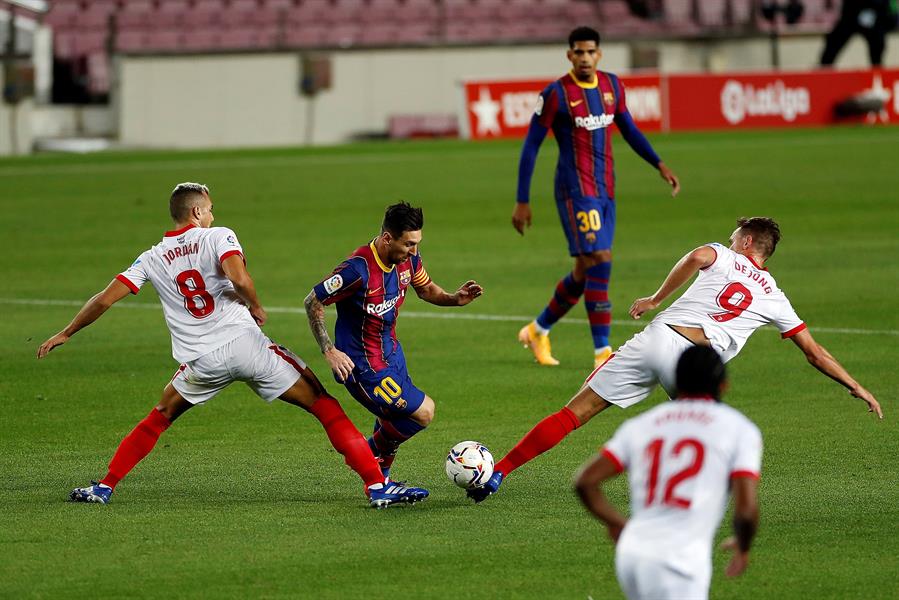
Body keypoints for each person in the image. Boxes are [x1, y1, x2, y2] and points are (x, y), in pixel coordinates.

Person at [37, 182, 426, 508]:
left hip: (201, 361)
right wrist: (254, 304)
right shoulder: (218, 236)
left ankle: (105, 486)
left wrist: (67, 332)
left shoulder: (151, 258)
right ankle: (377, 486)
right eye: (208, 209)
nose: (211, 214)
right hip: (246, 347)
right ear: (196, 212)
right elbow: (238, 277)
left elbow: (104, 299)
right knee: (323, 405)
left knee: (160, 416)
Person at [470, 216, 882, 502]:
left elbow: (698, 256)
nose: (730, 242)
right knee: (704, 429)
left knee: (574, 413)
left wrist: (655, 298)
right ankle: (702, 493)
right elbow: (814, 352)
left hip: (658, 339)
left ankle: (498, 472)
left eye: (735, 238)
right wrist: (856, 386)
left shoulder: (722, 254)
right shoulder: (775, 296)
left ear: (747, 243)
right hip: (695, 367)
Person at [513, 25, 680, 369]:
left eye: (591, 51)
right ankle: (602, 353)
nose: (585, 57)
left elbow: (629, 129)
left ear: (599, 54)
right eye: (579, 52)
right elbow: (531, 146)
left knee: (583, 271)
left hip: (606, 190)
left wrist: (659, 164)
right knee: (601, 259)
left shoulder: (612, 86)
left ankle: (537, 330)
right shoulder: (557, 94)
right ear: (570, 55)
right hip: (575, 191)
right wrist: (522, 199)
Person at [304, 202, 483, 491]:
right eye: (408, 244)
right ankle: (365, 454)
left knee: (392, 418)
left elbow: (426, 288)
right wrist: (329, 350)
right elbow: (313, 300)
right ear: (388, 238)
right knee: (423, 412)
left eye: (417, 243)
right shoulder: (357, 270)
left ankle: (381, 481)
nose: (414, 250)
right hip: (363, 366)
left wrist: (454, 298)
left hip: (392, 354)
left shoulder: (408, 260)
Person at [575, 345, 761, 600]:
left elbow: (585, 481)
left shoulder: (643, 424)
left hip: (631, 554)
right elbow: (746, 511)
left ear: (676, 382)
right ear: (723, 385)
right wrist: (744, 545)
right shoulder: (738, 428)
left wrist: (617, 523)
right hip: (678, 561)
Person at [820, 0, 898, 67]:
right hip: (851, 13)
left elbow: (890, 5)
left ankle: (877, 73)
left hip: (874, 13)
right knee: (833, 45)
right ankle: (823, 72)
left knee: (877, 48)